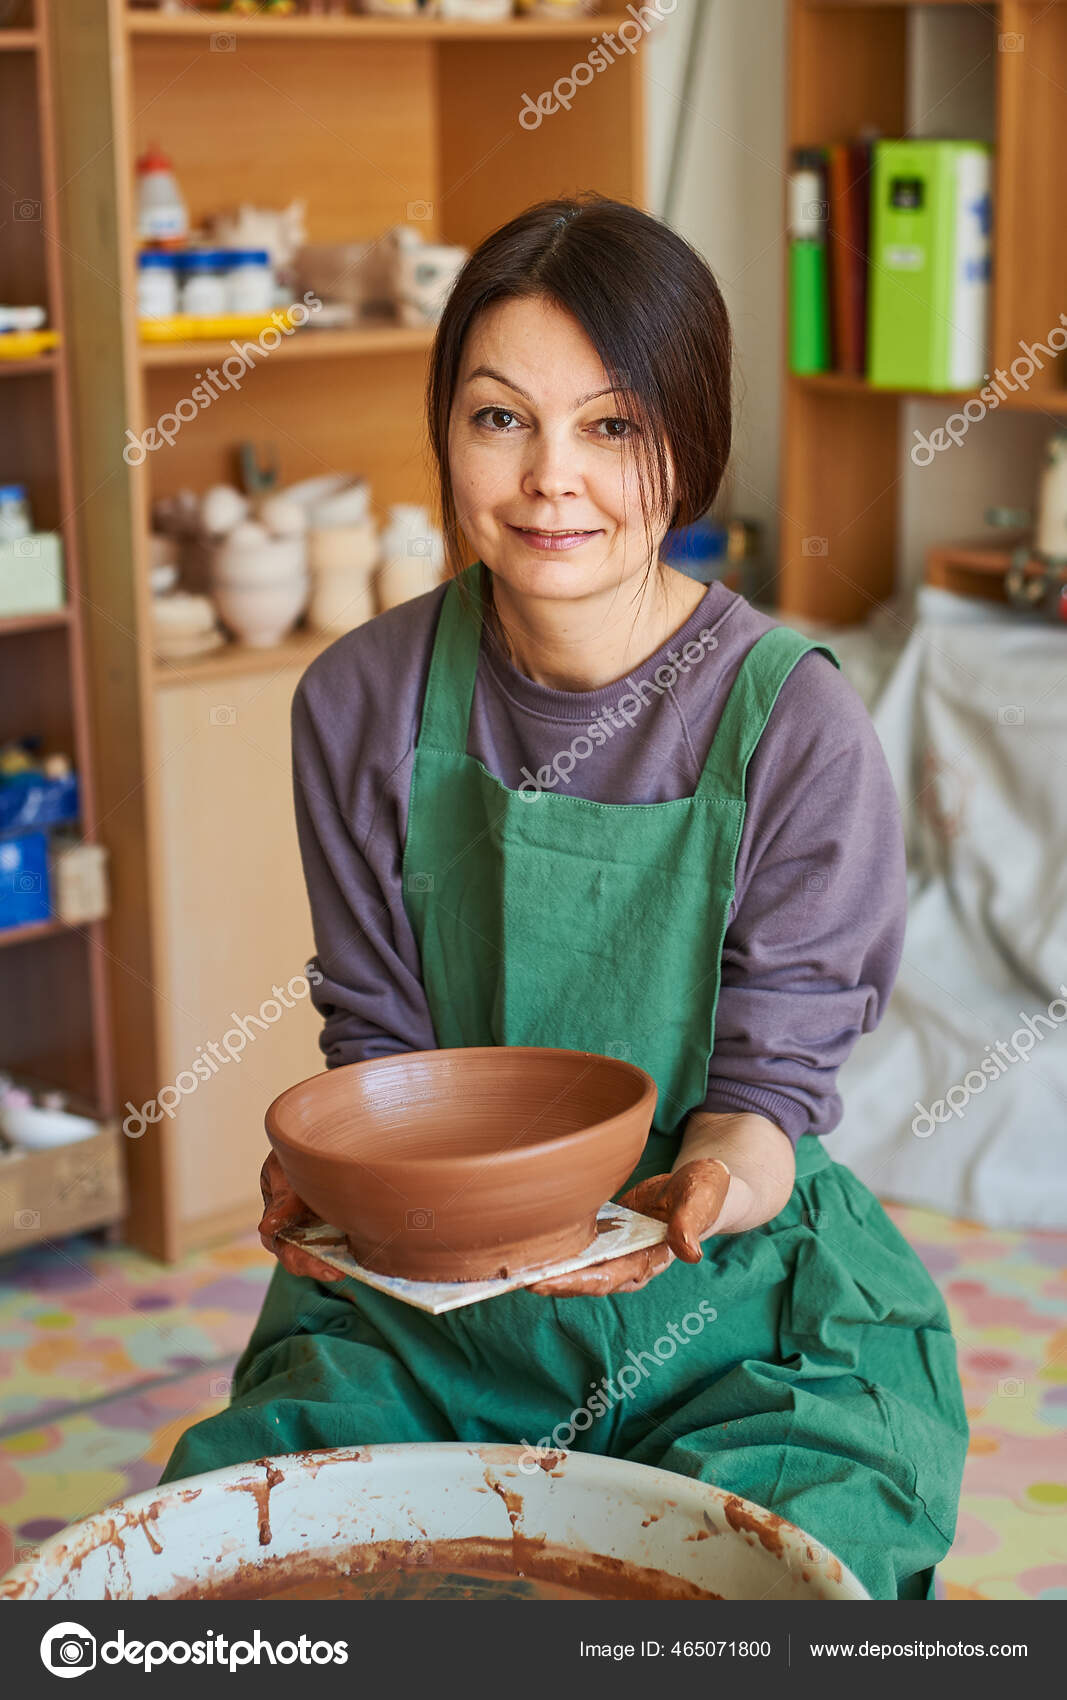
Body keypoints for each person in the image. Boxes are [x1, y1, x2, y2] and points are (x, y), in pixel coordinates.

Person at [161, 195, 968, 1600]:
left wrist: (690, 1196)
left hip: (729, 1299)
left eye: (612, 425)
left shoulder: (796, 727)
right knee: (233, 1560)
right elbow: (385, 1061)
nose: (550, 481)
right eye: (498, 418)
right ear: (447, 434)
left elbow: (766, 1095)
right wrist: (343, 1176)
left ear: (692, 439)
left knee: (772, 1578)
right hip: (433, 1305)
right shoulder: (360, 702)